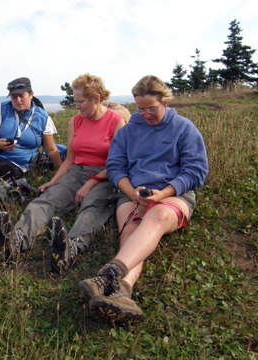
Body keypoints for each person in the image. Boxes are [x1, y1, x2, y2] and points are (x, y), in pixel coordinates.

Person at [77, 75, 209, 323]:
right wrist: (132, 193)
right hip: (133, 195)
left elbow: (196, 172)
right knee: (130, 236)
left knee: (157, 216)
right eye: (140, 108)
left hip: (174, 196)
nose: (146, 114)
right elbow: (115, 168)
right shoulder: (127, 132)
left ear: (165, 103)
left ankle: (107, 275)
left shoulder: (184, 128)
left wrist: (164, 193)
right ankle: (121, 292)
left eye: (152, 108)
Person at [0, 74, 126, 273]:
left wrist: (89, 185)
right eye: (75, 101)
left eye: (81, 101)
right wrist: (54, 181)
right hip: (76, 172)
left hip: (105, 176)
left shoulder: (117, 122)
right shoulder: (76, 122)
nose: (77, 106)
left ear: (96, 98)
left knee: (92, 208)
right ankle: (16, 240)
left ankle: (69, 250)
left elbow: (117, 164)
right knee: (46, 200)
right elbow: (71, 159)